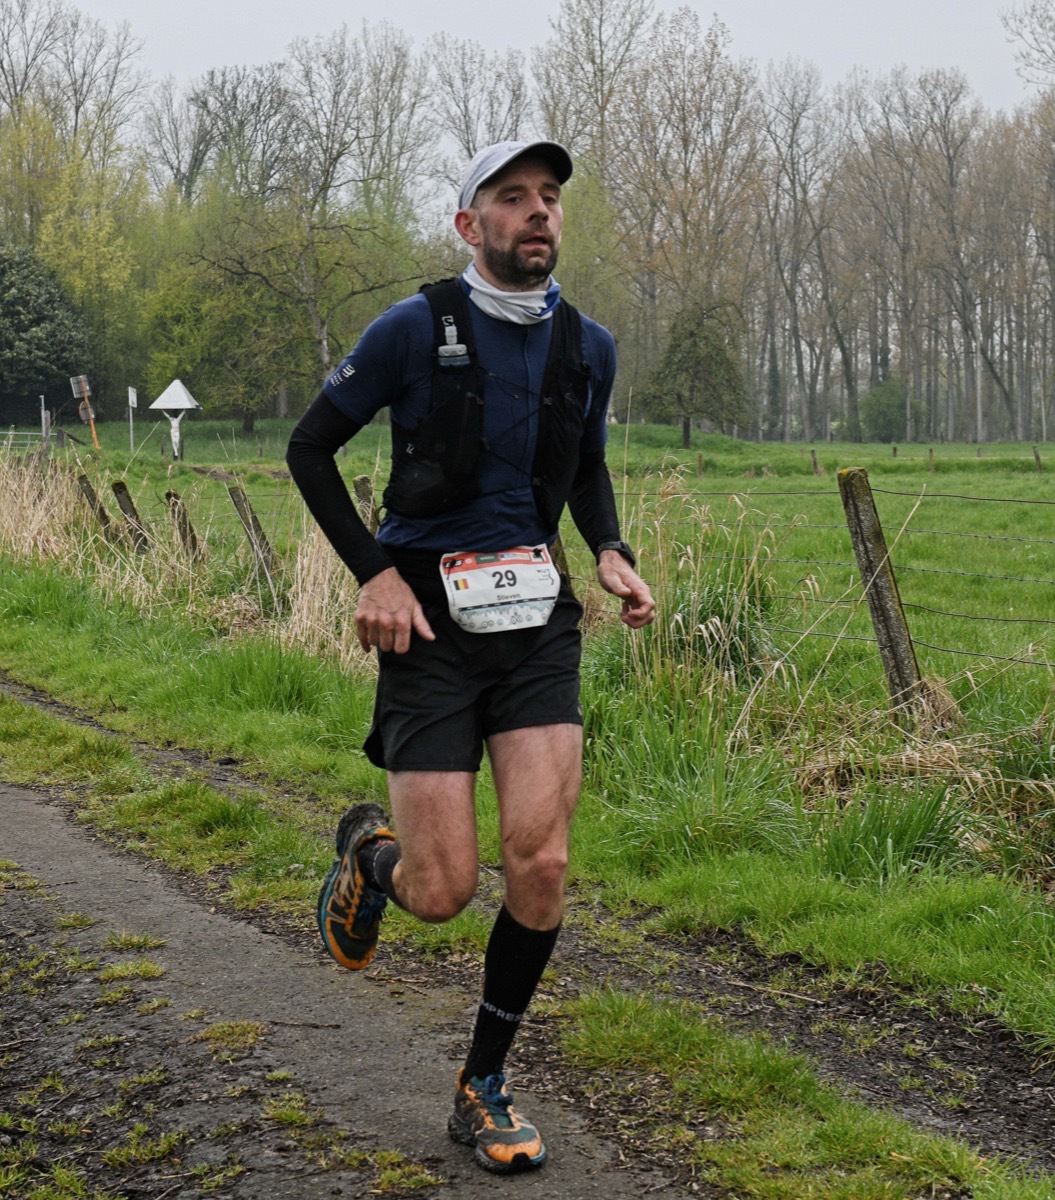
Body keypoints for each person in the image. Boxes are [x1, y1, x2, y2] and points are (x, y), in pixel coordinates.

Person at [284, 138, 655, 1176]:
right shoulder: (412, 329)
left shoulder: (588, 346)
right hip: (428, 628)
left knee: (542, 862)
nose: (538, 212)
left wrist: (610, 550)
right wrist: (375, 575)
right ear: (468, 223)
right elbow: (309, 448)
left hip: (536, 624)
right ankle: (371, 859)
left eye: (550, 197)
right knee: (443, 889)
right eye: (512, 197)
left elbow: (586, 465)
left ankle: (482, 1084)